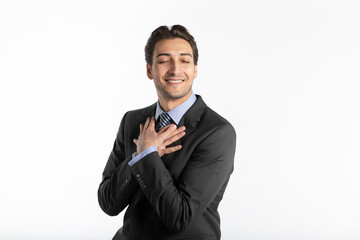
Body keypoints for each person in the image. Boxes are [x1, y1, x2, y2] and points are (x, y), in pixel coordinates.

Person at [97, 24, 236, 240]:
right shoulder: (131, 121)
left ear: (195, 70)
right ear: (149, 70)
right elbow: (108, 202)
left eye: (184, 60)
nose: (175, 69)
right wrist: (137, 156)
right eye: (163, 61)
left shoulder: (217, 132)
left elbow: (179, 217)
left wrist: (147, 155)